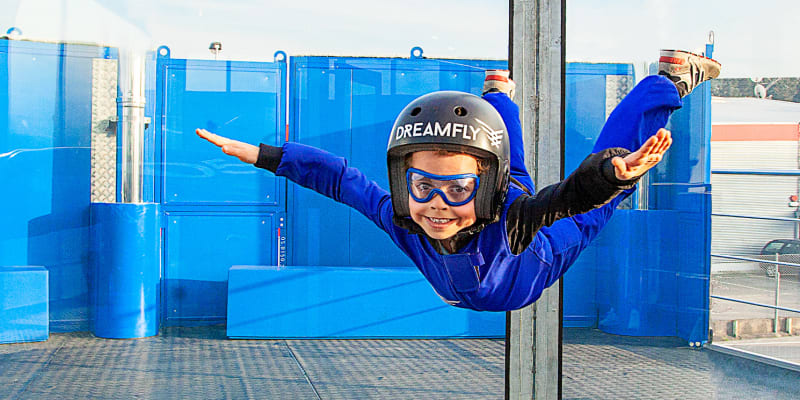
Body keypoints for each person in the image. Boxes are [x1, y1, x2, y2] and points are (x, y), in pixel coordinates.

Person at [197, 49, 720, 311]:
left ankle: (667, 79)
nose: (438, 206)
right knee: (511, 169)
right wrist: (266, 154)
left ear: (482, 193)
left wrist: (609, 176)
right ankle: (497, 96)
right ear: (405, 188)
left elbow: (568, 197)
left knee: (589, 212)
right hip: (501, 200)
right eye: (423, 187)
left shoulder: (512, 219)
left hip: (532, 257)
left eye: (457, 190)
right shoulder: (403, 218)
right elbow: (339, 178)